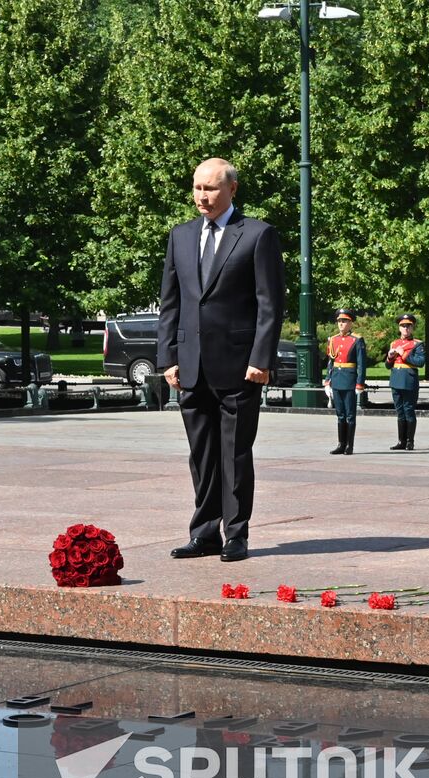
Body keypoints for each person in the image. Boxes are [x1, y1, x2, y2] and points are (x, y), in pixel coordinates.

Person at [158, 158, 284, 564]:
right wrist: (168, 358)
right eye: (197, 188)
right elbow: (170, 303)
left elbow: (270, 304)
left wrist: (260, 359)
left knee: (234, 455)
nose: (202, 196)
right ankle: (204, 533)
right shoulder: (180, 236)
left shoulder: (257, 235)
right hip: (190, 368)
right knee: (202, 457)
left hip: (239, 368)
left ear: (232, 189)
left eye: (210, 189)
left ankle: (235, 535)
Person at [323, 309, 365, 455]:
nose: (341, 324)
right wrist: (328, 380)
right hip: (337, 379)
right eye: (339, 321)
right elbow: (331, 362)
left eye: (344, 321)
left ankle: (349, 445)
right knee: (340, 413)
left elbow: (361, 363)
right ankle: (341, 443)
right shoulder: (333, 339)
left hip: (349, 379)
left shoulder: (357, 340)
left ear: (350, 323)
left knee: (350, 414)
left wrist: (360, 383)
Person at [386, 313, 424, 450]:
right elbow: (388, 365)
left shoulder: (417, 344)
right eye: (403, 326)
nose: (406, 328)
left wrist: (404, 354)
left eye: (408, 326)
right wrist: (390, 357)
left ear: (413, 327)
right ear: (399, 328)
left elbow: (420, 362)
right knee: (400, 411)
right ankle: (401, 441)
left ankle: (410, 441)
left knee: (409, 410)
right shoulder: (394, 343)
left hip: (409, 380)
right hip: (396, 379)